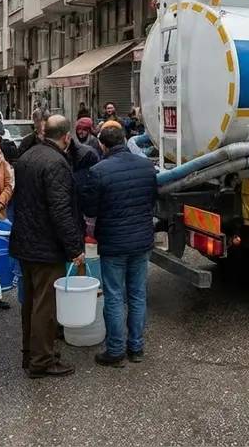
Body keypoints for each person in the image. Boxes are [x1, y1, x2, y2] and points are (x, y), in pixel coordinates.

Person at [11, 114, 85, 378]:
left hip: (25, 241)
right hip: (46, 246)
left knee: (30, 301)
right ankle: (42, 360)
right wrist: (75, 248)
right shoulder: (57, 163)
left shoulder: (29, 156)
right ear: (66, 137)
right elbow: (61, 211)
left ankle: (29, 354)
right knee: (46, 305)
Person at [83, 124, 158, 367]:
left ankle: (115, 351)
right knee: (137, 294)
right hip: (142, 240)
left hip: (114, 243)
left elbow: (91, 210)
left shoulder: (98, 171)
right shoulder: (147, 167)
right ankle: (136, 347)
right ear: (125, 140)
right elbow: (151, 200)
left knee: (114, 297)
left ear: (103, 146)